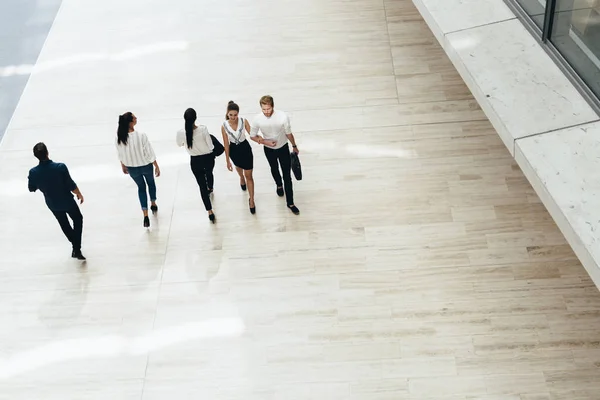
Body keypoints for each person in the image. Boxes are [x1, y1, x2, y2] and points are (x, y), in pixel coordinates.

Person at [27, 142, 86, 260]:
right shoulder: (60, 167)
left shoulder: (33, 172)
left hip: (52, 203)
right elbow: (70, 184)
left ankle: (75, 245)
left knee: (63, 223)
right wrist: (78, 193)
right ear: (47, 152)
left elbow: (31, 188)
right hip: (67, 200)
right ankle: (76, 247)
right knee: (77, 219)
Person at [250, 95, 300, 215]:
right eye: (264, 109)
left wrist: (294, 146)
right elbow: (252, 136)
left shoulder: (283, 116)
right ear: (261, 108)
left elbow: (289, 134)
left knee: (287, 175)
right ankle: (278, 184)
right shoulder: (257, 119)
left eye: (268, 109)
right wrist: (265, 142)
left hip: (283, 148)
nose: (266, 112)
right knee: (274, 168)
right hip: (268, 149)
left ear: (273, 106)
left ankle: (290, 202)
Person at [115, 112, 161, 228]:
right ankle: (153, 203)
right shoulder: (141, 136)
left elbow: (120, 153)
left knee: (141, 188)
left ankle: (145, 215)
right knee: (151, 183)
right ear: (131, 123)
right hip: (145, 165)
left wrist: (123, 165)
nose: (136, 118)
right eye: (134, 117)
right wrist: (156, 165)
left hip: (132, 168)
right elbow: (148, 152)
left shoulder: (119, 138)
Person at [176, 108, 217, 223]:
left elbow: (179, 144)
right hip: (208, 158)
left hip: (195, 161)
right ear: (196, 118)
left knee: (201, 186)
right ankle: (211, 187)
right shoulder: (203, 129)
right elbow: (210, 145)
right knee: (209, 173)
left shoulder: (181, 132)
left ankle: (209, 211)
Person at [221, 101, 256, 214]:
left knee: (249, 176)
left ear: (238, 114)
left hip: (245, 148)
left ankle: (251, 200)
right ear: (227, 114)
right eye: (231, 115)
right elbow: (226, 144)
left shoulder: (243, 121)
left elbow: (251, 134)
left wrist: (261, 138)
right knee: (239, 168)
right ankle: (241, 178)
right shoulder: (224, 126)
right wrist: (227, 160)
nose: (233, 117)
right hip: (234, 151)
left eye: (235, 115)